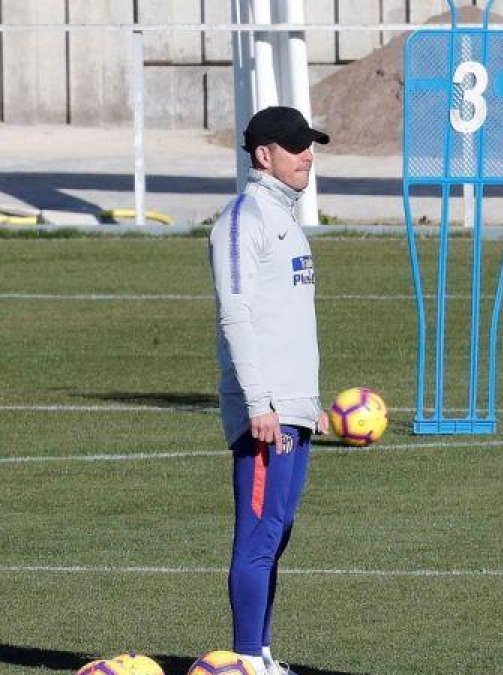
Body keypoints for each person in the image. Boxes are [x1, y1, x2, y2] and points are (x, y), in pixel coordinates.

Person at [208, 105, 331, 675]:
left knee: (277, 534)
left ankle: (260, 653)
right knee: (258, 537)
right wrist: (260, 403)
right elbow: (237, 315)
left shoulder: (287, 219)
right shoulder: (242, 221)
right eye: (295, 145)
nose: (307, 154)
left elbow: (287, 320)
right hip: (266, 411)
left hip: (292, 408)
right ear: (264, 156)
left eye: (309, 144)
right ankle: (245, 659)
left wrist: (309, 402)